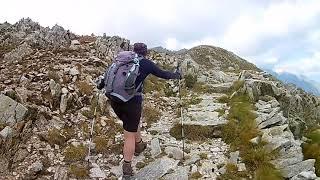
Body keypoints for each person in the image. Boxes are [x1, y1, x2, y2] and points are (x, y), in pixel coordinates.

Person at [99, 43, 181, 178]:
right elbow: (163, 74)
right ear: (146, 52)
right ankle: (127, 168)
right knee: (128, 134)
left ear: (133, 51)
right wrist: (177, 75)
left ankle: (139, 145)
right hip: (132, 102)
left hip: (114, 100)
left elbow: (105, 79)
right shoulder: (146, 63)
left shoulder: (121, 61)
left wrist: (100, 86)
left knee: (131, 124)